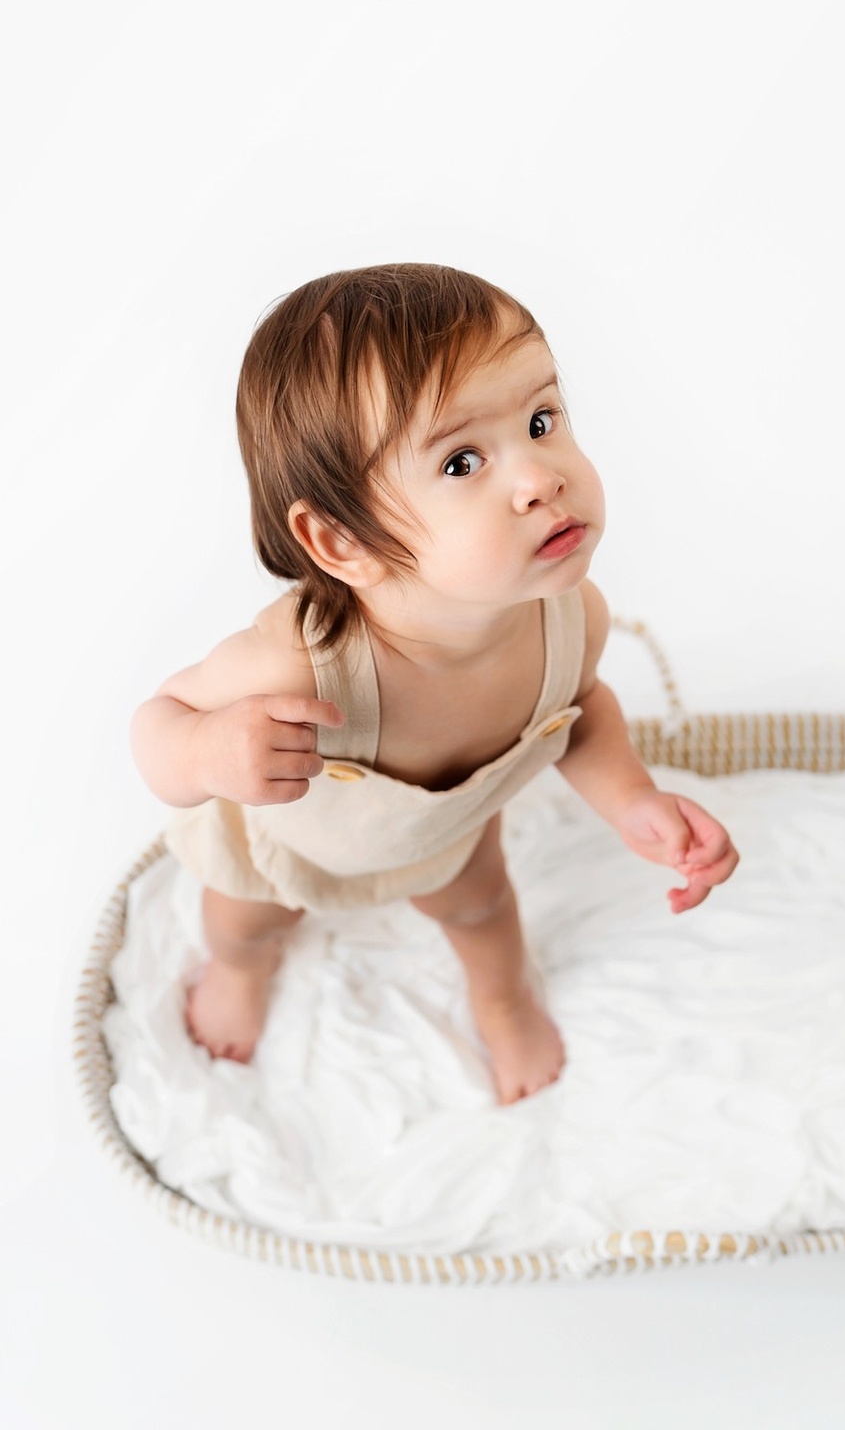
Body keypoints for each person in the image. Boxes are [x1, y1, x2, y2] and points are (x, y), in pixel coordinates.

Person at [130, 263, 739, 1106]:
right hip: (286, 848)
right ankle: (239, 970)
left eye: (541, 420)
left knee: (485, 914)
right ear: (341, 543)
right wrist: (204, 749)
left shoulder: (569, 621)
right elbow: (157, 724)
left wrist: (633, 799)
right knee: (241, 923)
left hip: (447, 837)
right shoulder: (295, 663)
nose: (541, 478)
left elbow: (578, 711)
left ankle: (504, 999)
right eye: (462, 461)